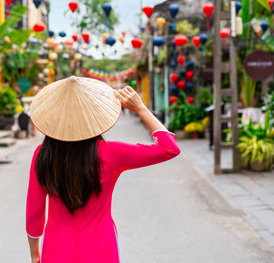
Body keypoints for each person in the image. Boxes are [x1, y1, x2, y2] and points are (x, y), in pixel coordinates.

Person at [26, 76, 180, 263]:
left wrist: (34, 255)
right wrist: (141, 109)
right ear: (94, 116)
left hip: (56, 250)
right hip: (101, 249)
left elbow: (34, 215)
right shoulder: (111, 153)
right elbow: (169, 148)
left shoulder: (42, 155)